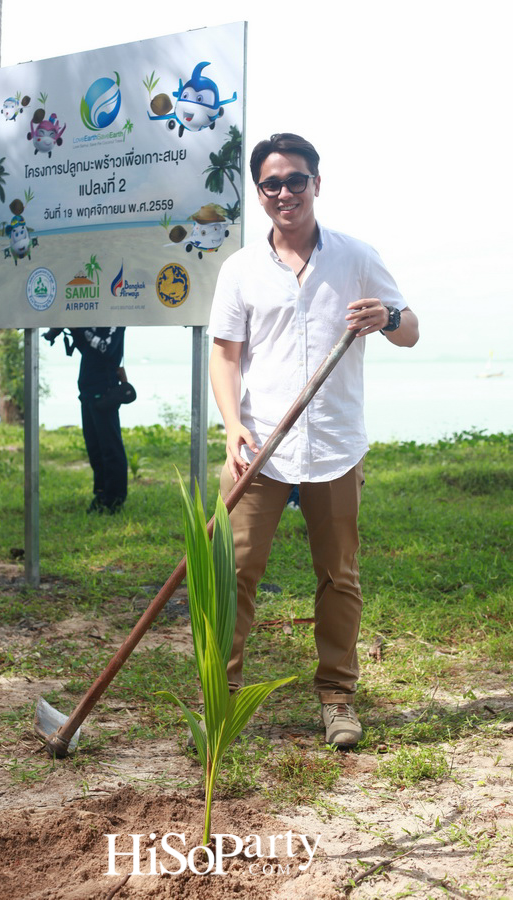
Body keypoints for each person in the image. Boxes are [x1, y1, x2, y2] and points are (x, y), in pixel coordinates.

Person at [208, 133, 419, 748]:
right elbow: (225, 356)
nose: (284, 194)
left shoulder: (357, 258)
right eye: (271, 184)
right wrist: (232, 424)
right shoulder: (240, 269)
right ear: (260, 193)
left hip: (333, 446)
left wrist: (388, 319)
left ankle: (337, 698)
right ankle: (222, 699)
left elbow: (410, 330)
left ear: (316, 184)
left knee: (338, 576)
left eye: (295, 180)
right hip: (260, 448)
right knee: (234, 574)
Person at [70, 326, 129, 515]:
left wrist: (81, 330)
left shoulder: (114, 319)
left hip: (105, 393)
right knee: (94, 448)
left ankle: (115, 499)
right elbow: (87, 350)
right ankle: (101, 493)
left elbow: (106, 347)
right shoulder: (91, 324)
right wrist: (75, 332)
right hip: (86, 393)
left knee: (110, 448)